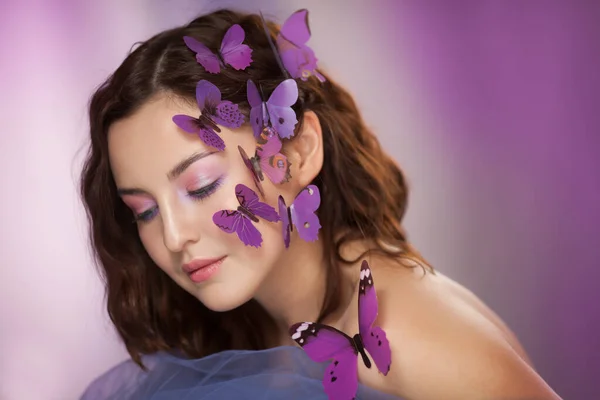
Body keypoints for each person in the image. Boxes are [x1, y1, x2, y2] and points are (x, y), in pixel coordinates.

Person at [79, 8, 561, 400]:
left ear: (298, 150)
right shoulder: (253, 327)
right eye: (144, 210)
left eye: (201, 185)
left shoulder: (411, 337)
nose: (172, 236)